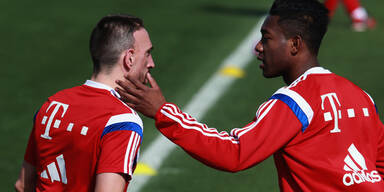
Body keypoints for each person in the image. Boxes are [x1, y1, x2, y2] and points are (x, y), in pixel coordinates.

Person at [116, 0, 384, 191]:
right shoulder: (361, 97)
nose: (258, 47)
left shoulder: (295, 101)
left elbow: (235, 153)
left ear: (295, 44)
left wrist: (163, 113)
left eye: (266, 38)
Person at [14, 14, 155, 191]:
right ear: (130, 58)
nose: (151, 63)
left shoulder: (51, 106)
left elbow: (22, 185)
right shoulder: (121, 121)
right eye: (148, 53)